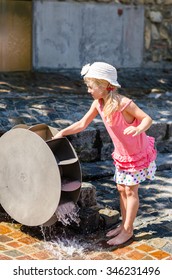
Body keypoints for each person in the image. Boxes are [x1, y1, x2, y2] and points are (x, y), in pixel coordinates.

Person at [53, 62, 157, 246]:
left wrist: (138, 128)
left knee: (131, 192)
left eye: (90, 86)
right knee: (121, 190)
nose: (88, 90)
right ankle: (124, 225)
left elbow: (147, 118)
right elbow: (82, 123)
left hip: (137, 155)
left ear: (103, 86)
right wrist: (62, 132)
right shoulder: (98, 104)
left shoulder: (124, 104)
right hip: (122, 155)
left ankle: (128, 230)